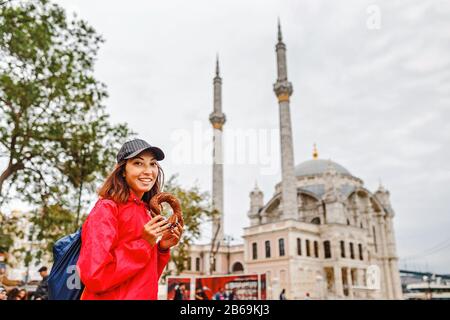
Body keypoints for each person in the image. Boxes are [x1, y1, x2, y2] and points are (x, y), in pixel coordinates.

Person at [76, 139, 183, 300]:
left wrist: (161, 249)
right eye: (138, 163)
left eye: (152, 164)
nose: (148, 171)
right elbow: (94, 276)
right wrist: (144, 244)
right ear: (123, 171)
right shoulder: (107, 209)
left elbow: (145, 279)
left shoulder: (147, 212)